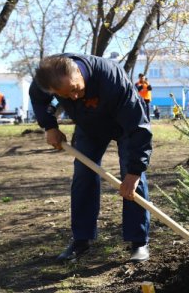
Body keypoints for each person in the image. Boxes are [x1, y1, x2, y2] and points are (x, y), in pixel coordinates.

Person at [30, 54, 153, 263]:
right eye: (65, 96)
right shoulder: (46, 80)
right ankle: (81, 240)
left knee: (132, 178)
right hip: (89, 126)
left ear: (78, 72)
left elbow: (138, 129)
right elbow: (38, 98)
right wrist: (50, 126)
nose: (74, 97)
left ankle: (139, 241)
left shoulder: (112, 80)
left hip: (125, 126)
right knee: (83, 176)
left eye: (75, 89)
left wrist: (133, 173)